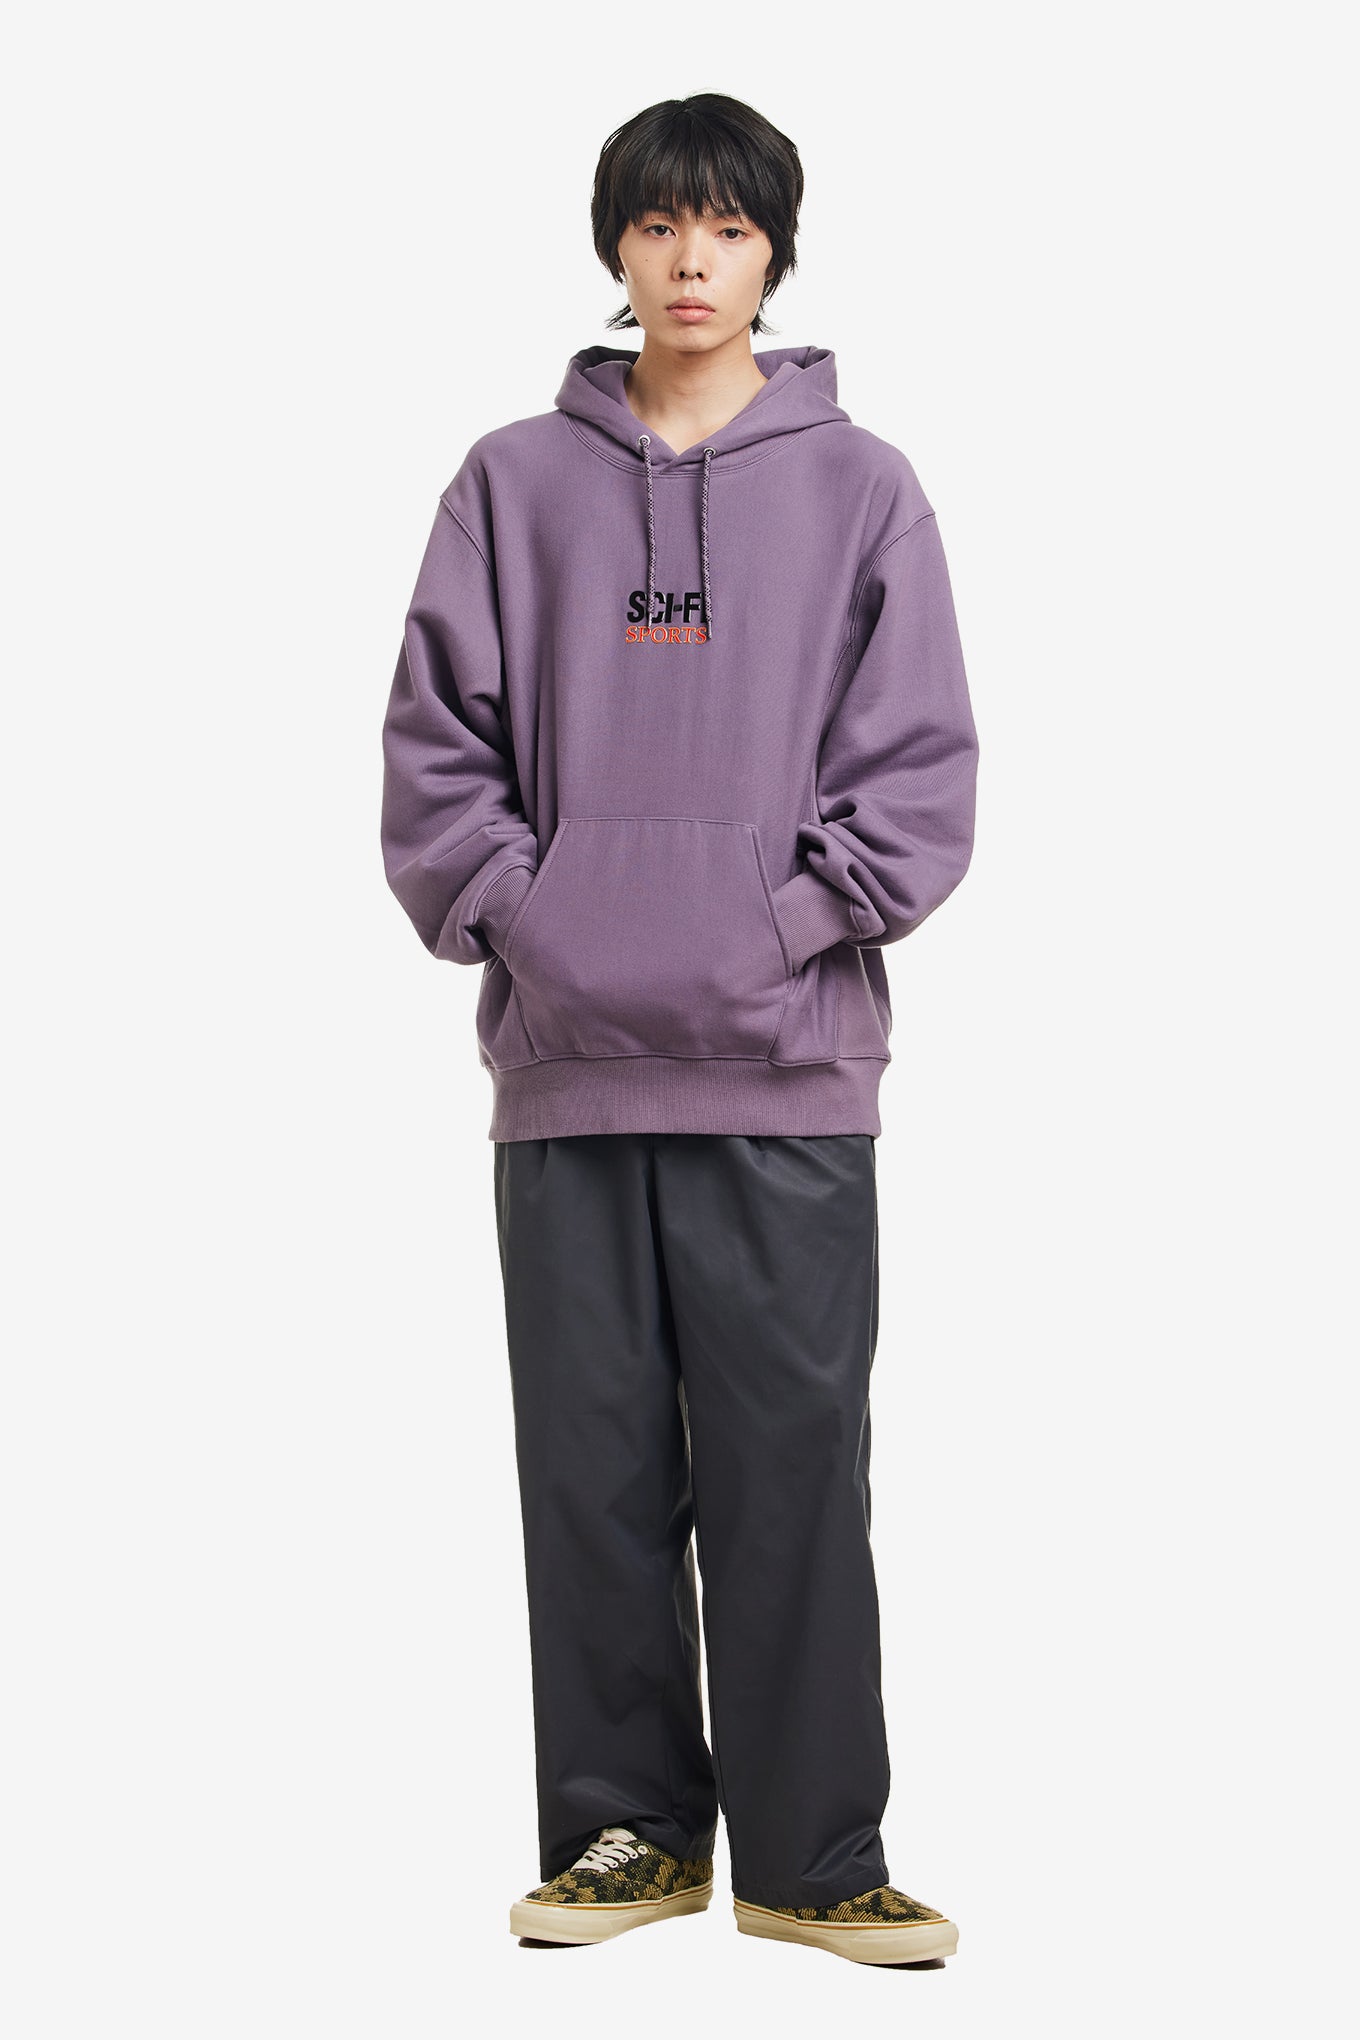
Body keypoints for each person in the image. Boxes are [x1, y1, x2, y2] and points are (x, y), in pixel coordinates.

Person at [380, 93, 980, 1967]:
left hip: (789, 1069)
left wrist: (782, 929)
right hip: (566, 1072)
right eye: (658, 226)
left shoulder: (863, 487)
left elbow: (919, 775)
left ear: (775, 250)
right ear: (617, 248)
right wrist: (540, 925)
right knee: (592, 1466)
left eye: (726, 227)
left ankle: (816, 1859)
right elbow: (435, 757)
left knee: (797, 1465)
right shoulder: (509, 483)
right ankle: (623, 1836)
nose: (691, 260)